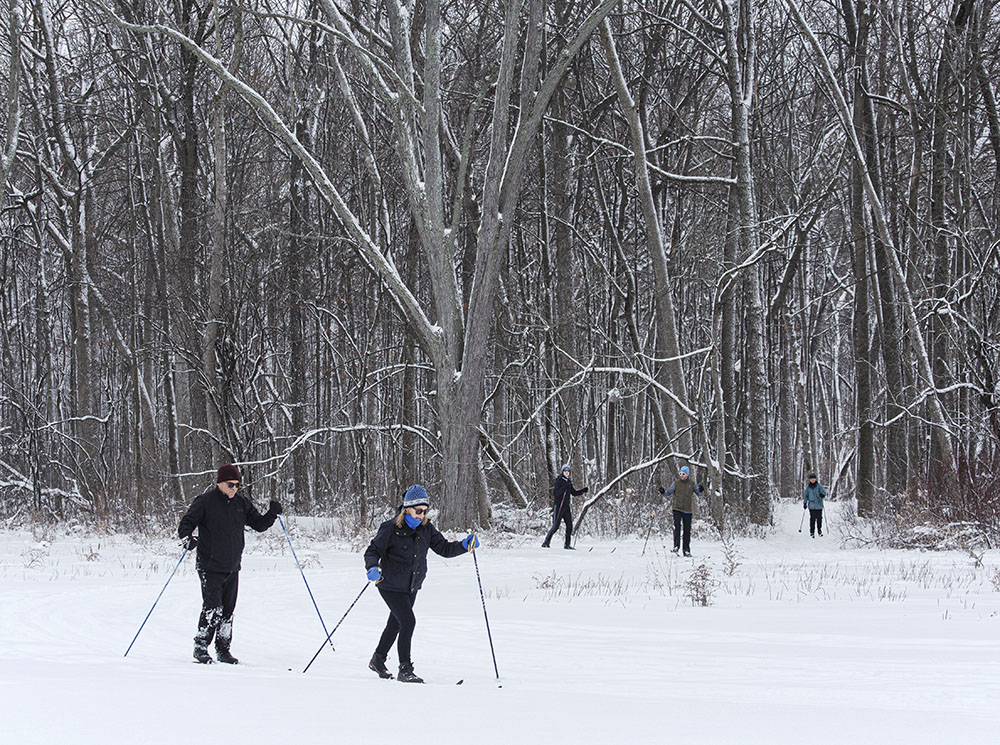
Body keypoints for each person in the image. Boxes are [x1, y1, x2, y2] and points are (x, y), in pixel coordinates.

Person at [363, 484, 479, 683]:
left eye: (425, 511)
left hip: (412, 585)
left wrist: (463, 545)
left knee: (396, 623)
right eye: (418, 511)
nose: (421, 515)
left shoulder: (426, 528)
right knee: (408, 621)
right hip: (389, 584)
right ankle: (405, 669)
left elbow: (443, 548)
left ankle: (378, 659)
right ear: (407, 508)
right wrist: (372, 567)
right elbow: (372, 551)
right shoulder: (391, 528)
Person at [178, 464, 282, 664]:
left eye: (237, 485)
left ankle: (223, 649)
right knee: (212, 607)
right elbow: (187, 523)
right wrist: (187, 539)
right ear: (220, 483)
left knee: (227, 610)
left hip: (232, 566)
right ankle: (201, 647)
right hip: (210, 565)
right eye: (230, 484)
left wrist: (272, 514)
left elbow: (258, 524)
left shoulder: (241, 503)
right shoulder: (206, 501)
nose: (234, 488)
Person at [659, 465, 702, 557]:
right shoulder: (676, 483)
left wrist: (701, 491)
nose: (682, 475)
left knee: (687, 530)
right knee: (677, 527)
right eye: (681, 474)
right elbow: (668, 493)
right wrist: (663, 492)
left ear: (687, 475)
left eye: (684, 474)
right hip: (677, 509)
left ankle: (686, 550)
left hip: (687, 510)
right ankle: (676, 546)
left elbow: (699, 494)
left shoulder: (692, 484)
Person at [541, 463, 588, 549]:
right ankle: (546, 542)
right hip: (559, 506)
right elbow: (556, 493)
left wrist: (583, 491)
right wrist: (564, 488)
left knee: (569, 526)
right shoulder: (559, 480)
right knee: (556, 526)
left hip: (566, 507)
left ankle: (567, 544)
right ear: (562, 472)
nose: (566, 473)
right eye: (565, 471)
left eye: (568, 471)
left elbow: (573, 493)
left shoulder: (568, 482)